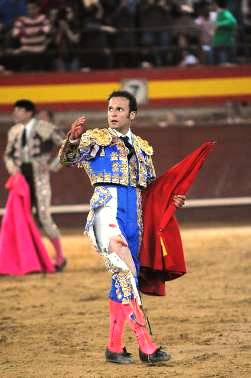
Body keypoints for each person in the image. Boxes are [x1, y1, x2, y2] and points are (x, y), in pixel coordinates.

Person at [59, 90, 185, 364]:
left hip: (134, 220)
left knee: (124, 280)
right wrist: (72, 139)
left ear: (132, 114)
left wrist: (172, 198)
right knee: (126, 274)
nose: (112, 114)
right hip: (106, 213)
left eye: (118, 109)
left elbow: (151, 189)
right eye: (110, 109)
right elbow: (68, 160)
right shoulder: (95, 139)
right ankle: (146, 346)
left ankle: (114, 347)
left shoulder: (142, 147)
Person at [4, 99, 66, 271]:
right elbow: (8, 155)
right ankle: (31, 258)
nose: (15, 114)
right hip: (21, 179)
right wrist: (13, 170)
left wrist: (53, 165)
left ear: (29, 112)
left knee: (43, 217)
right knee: (23, 218)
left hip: (39, 176)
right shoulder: (14, 131)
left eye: (19, 111)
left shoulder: (43, 127)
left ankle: (60, 257)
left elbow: (68, 146)